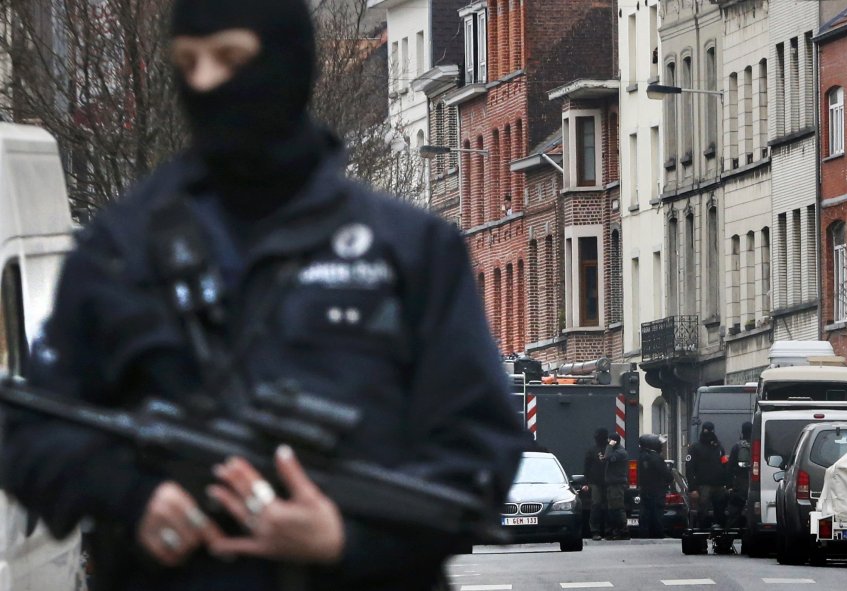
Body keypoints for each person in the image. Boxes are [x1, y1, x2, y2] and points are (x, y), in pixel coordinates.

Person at [0, 1, 529, 590]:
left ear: (288, 62)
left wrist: (345, 539)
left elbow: (481, 451)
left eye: (229, 57)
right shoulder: (120, 249)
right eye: (187, 61)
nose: (203, 81)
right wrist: (133, 498)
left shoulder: (408, 251)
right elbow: (30, 429)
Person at [685, 422, 728, 530]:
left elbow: (724, 464)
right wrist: (693, 488)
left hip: (719, 485)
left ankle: (720, 533)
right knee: (702, 512)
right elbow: (689, 468)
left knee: (720, 511)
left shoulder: (718, 447)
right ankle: (702, 532)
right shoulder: (695, 448)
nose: (707, 434)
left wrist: (728, 482)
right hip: (703, 486)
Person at [638, 433, 673, 538]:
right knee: (657, 512)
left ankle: (644, 533)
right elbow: (667, 475)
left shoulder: (641, 456)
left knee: (645, 512)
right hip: (657, 490)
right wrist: (668, 481)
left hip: (644, 489)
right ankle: (658, 533)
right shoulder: (656, 458)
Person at [581, 427, 609, 540]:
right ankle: (596, 530)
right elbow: (586, 468)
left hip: (606, 482)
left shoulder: (595, 450)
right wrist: (586, 482)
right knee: (597, 506)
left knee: (605, 507)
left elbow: (586, 468)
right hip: (597, 483)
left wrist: (586, 482)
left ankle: (604, 530)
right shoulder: (595, 450)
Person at [725, 422, 752, 529]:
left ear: (742, 431)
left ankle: (730, 534)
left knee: (734, 511)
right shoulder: (758, 444)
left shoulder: (737, 446)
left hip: (739, 484)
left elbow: (730, 467)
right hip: (755, 482)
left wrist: (729, 485)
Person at [603, 432, 630, 540]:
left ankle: (623, 531)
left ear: (614, 441)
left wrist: (609, 447)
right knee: (612, 509)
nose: (608, 442)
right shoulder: (616, 451)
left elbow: (608, 457)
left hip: (617, 484)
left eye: (610, 440)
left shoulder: (620, 452)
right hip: (612, 483)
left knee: (618, 508)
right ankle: (615, 531)